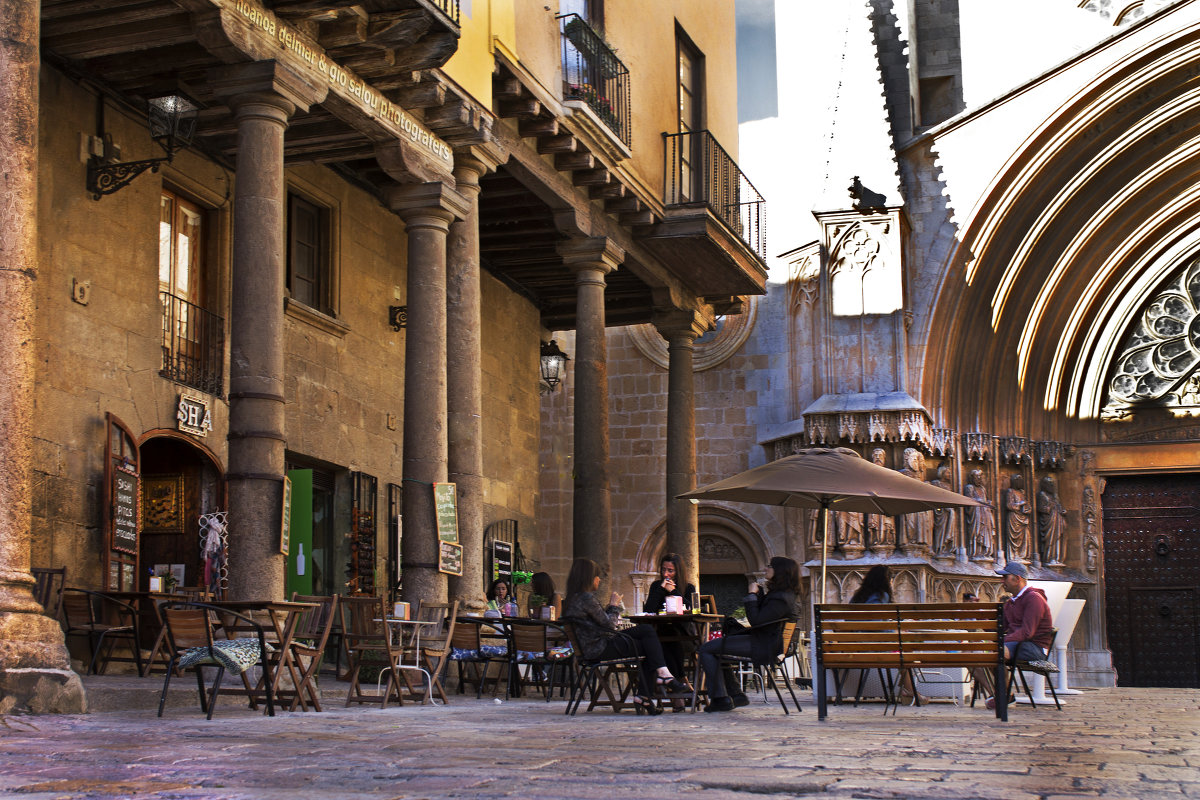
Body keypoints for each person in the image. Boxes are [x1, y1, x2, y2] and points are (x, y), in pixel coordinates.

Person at [562, 558, 688, 715]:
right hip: (599, 648)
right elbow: (610, 626)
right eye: (597, 576)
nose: (599, 580)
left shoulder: (572, 599)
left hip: (592, 646)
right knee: (652, 645)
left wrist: (610, 609)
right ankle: (652, 687)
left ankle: (656, 683)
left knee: (647, 632)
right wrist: (614, 605)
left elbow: (602, 624)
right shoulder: (586, 598)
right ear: (589, 578)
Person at [697, 556, 799, 712]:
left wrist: (751, 596)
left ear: (779, 571)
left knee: (706, 649)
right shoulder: (782, 595)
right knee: (715, 650)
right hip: (764, 641)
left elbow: (757, 621)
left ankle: (720, 699)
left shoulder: (781, 598)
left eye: (769, 566)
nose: (765, 568)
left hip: (764, 646)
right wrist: (759, 596)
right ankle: (736, 694)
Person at [849, 565, 928, 705]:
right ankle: (910, 691)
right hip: (874, 647)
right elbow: (877, 625)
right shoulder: (880, 596)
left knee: (903, 652)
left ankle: (908, 690)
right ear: (886, 580)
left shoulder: (857, 597)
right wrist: (895, 631)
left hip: (855, 646)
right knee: (905, 654)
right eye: (891, 579)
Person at [986, 560, 1055, 710]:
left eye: (1005, 577)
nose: (1002, 581)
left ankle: (1003, 696)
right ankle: (1004, 695)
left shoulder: (1034, 598)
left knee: (997, 652)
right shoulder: (1011, 603)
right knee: (981, 654)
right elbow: (998, 627)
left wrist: (1000, 641)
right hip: (1016, 644)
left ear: (1017, 579)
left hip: (1034, 647)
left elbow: (1027, 632)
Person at [642, 553, 698, 708]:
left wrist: (673, 592)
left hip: (684, 635)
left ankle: (677, 687)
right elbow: (649, 610)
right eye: (663, 569)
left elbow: (691, 610)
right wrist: (661, 590)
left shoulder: (688, 587)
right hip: (660, 634)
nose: (666, 574)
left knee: (668, 639)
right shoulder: (656, 586)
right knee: (663, 639)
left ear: (678, 572)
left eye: (670, 571)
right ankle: (681, 683)